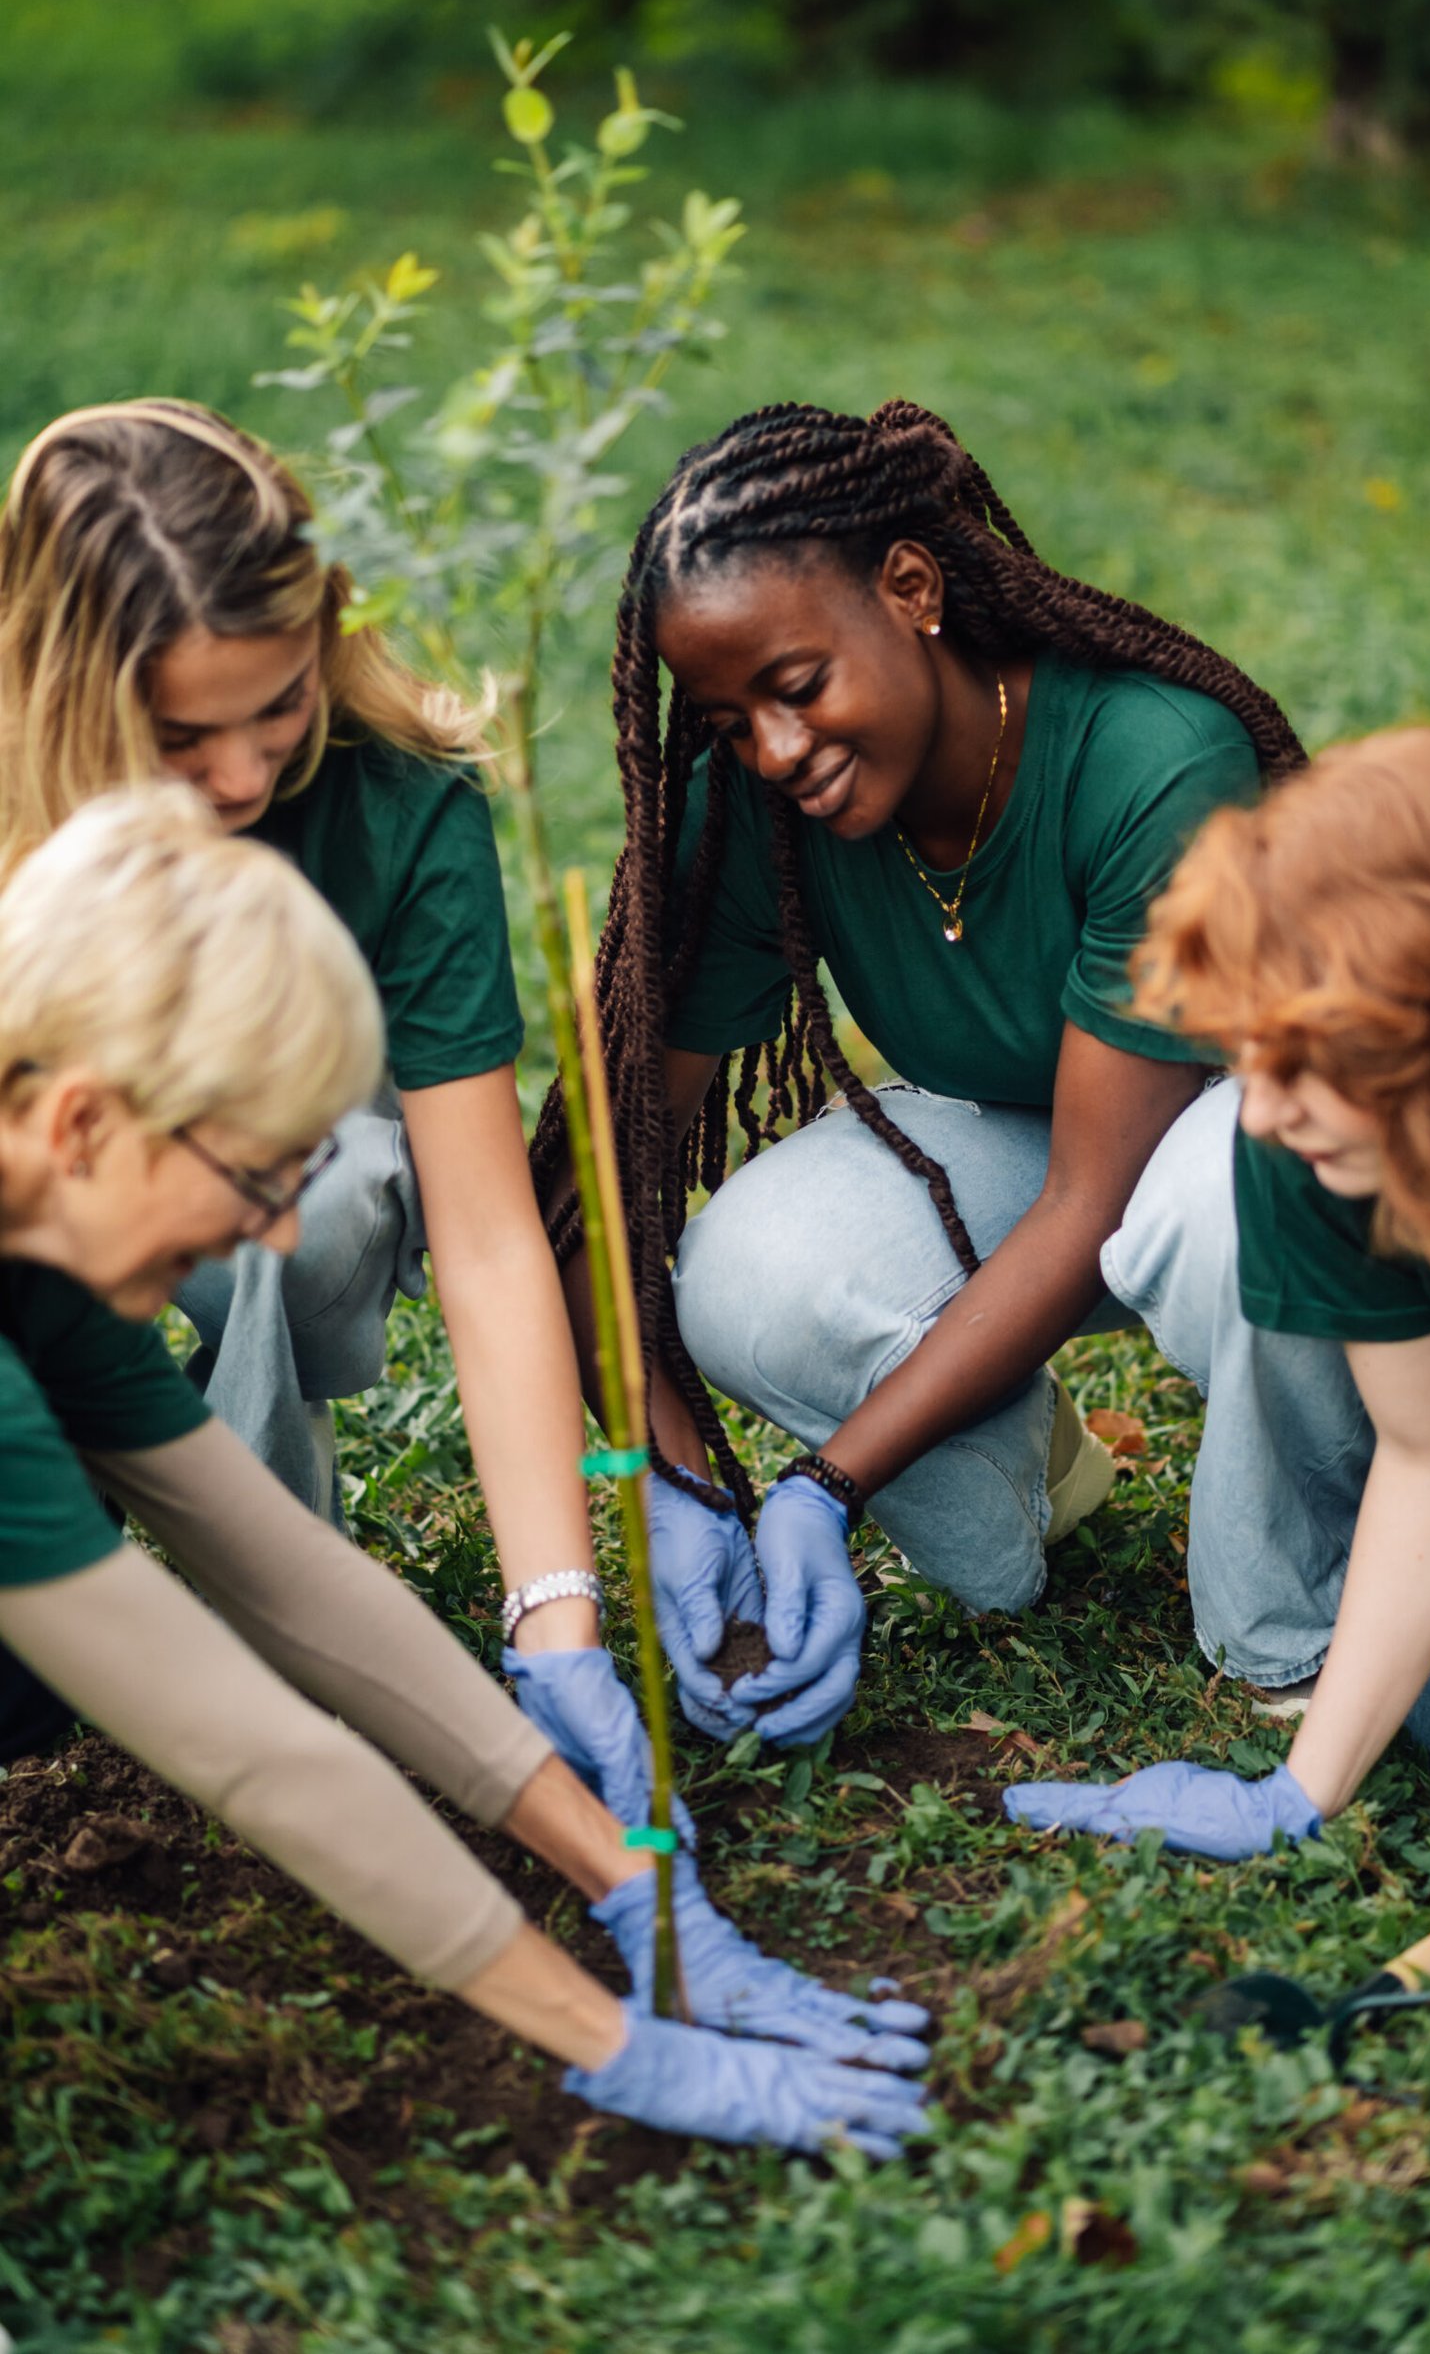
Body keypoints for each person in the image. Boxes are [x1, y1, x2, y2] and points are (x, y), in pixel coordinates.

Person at [0, 787, 930, 2157]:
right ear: (86, 1124)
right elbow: (250, 1747)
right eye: (259, 1180)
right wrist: (610, 2039)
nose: (268, 1236)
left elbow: (290, 1576)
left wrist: (632, 1885)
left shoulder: (51, 1236)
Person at [531, 397, 1305, 1747]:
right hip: (1030, 1144)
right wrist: (683, 1484)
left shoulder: (1151, 760)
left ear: (911, 587)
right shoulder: (758, 809)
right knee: (747, 1275)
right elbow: (604, 1180)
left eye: (797, 684)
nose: (773, 749)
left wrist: (822, 1487)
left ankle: (1289, 1618)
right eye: (726, 719)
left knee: (1212, 1214)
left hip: (1259, 1172)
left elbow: (1098, 1201)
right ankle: (1040, 1469)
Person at [0, 398, 668, 1824]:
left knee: (302, 1235)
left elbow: (485, 1239)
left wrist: (558, 1615)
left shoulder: (394, 802)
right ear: (72, 700)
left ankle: (238, 1547)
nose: (244, 779)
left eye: (279, 709)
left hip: (171, 1215)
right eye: (182, 737)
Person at [1003, 726, 1430, 2077]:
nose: (1255, 1115)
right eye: (1244, 1057)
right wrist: (1300, 1792)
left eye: (1296, 1064)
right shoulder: (1308, 1135)